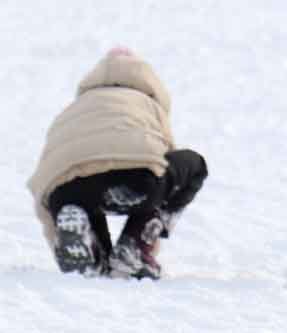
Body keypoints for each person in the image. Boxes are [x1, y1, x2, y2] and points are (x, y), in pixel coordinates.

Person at [28, 47, 208, 280]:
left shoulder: (73, 110)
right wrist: (148, 247)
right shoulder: (148, 103)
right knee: (192, 165)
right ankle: (134, 248)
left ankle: (92, 250)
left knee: (81, 189)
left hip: (65, 191)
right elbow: (162, 163)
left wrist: (57, 238)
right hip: (135, 182)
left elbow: (45, 181)